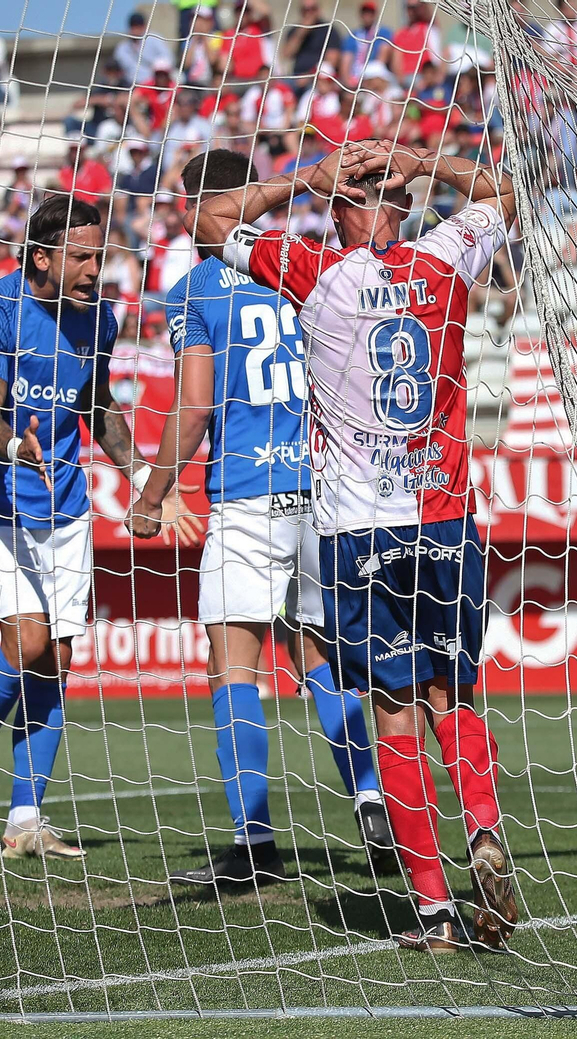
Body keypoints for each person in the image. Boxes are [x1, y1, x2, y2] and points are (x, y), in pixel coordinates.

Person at [188, 138, 519, 952]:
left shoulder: (316, 271)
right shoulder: (447, 255)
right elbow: (503, 194)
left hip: (356, 529)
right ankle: (482, 824)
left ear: (340, 212)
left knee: (395, 710)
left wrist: (307, 175)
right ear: (403, 206)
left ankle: (436, 911)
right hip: (443, 516)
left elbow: (207, 218)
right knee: (458, 692)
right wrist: (426, 162)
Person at [138, 149, 394, 886]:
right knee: (319, 655)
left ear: (201, 206)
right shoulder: (304, 267)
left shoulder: (196, 289)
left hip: (247, 491)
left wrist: (154, 495)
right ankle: (372, 794)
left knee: (232, 662)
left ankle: (254, 844)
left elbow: (193, 408)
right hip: (323, 488)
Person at [0, 194, 161, 859]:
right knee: (28, 641)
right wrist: (15, 447)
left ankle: (26, 818)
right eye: (85, 256)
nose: (99, 269)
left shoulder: (101, 319)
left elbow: (94, 401)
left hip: (64, 503)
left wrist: (141, 475)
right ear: (42, 255)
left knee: (59, 657)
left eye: (102, 255)